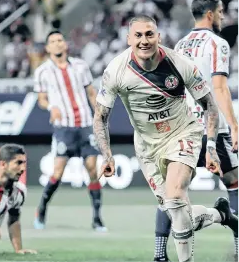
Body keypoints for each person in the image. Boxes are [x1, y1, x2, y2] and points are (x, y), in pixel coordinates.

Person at [94, 15, 238, 262]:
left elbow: (210, 106)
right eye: (138, 35)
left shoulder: (179, 63)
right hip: (146, 145)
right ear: (129, 39)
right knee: (177, 211)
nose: (144, 41)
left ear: (158, 37)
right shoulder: (116, 71)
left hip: (183, 133)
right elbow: (100, 117)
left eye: (149, 34)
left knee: (174, 195)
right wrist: (106, 155)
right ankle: (222, 215)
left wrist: (211, 146)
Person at [153, 0, 238, 262]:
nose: (224, 16)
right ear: (211, 14)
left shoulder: (181, 45)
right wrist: (235, 126)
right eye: (221, 11)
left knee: (173, 190)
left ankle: (159, 254)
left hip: (183, 128)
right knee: (234, 183)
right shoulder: (218, 43)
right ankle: (238, 247)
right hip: (213, 127)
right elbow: (219, 88)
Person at [33, 30, 106, 231]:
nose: (57, 44)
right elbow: (41, 99)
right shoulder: (42, 72)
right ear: (48, 48)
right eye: (52, 41)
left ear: (65, 45)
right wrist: (51, 107)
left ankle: (97, 218)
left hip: (84, 124)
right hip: (63, 127)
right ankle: (41, 209)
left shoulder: (80, 66)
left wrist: (98, 115)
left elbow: (91, 93)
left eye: (59, 40)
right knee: (57, 172)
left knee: (92, 168)